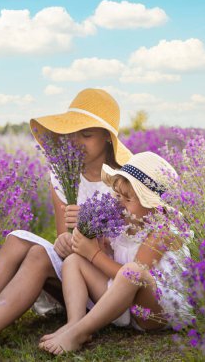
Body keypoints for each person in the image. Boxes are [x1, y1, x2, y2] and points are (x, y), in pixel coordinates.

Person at [0, 88, 132, 360]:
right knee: (16, 239)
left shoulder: (123, 182)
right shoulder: (63, 175)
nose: (77, 142)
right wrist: (64, 240)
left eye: (86, 135)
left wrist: (89, 237)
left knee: (39, 254)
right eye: (73, 134)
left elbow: (126, 250)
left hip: (107, 284)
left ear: (107, 139)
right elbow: (65, 241)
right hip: (75, 275)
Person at [39, 151, 191, 355]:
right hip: (123, 305)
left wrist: (94, 255)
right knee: (74, 260)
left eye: (127, 199)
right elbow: (110, 261)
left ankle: (79, 332)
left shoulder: (162, 232)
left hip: (154, 311)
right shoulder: (123, 226)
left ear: (155, 207)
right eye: (118, 196)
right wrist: (98, 246)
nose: (119, 203)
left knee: (133, 272)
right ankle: (75, 323)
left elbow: (131, 276)